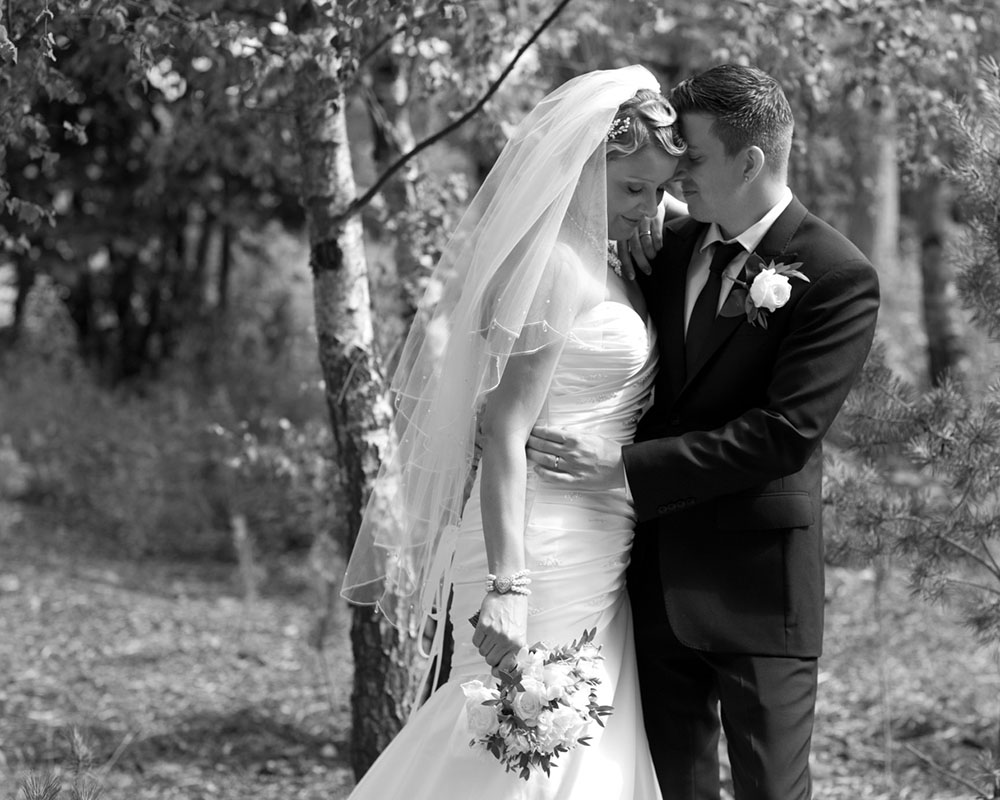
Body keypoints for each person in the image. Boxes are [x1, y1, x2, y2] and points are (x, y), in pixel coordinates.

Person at [527, 64, 881, 800]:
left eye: (691, 157)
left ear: (749, 160)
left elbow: (785, 433)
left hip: (759, 589)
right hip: (650, 579)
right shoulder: (662, 245)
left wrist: (624, 467)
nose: (676, 175)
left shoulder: (837, 273)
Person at [340, 66, 686, 799]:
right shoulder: (556, 267)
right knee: (516, 738)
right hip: (537, 542)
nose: (648, 205)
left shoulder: (609, 254)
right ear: (585, 167)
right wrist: (508, 585)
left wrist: (649, 202)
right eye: (633, 189)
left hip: (599, 538)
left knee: (572, 738)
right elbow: (503, 433)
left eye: (659, 190)